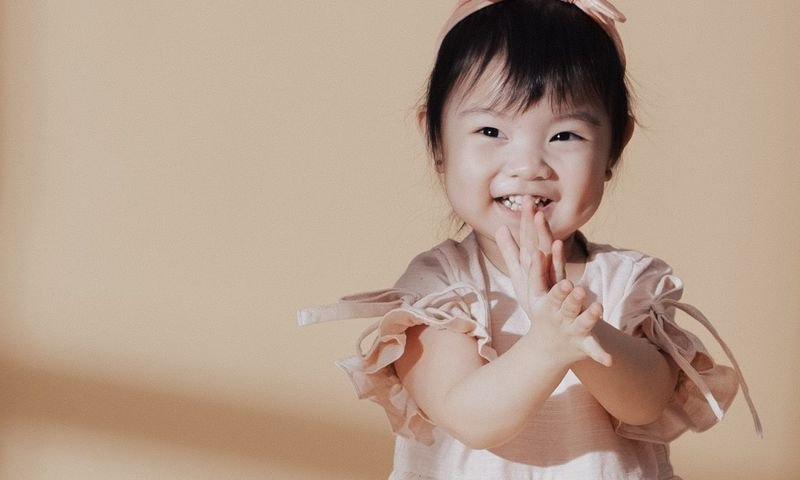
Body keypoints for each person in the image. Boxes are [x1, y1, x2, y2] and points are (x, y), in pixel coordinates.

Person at [299, 1, 761, 478]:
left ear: (615, 145)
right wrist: (549, 344)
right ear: (436, 140)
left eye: (564, 135)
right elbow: (471, 419)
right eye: (491, 130)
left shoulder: (628, 281)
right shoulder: (440, 286)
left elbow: (645, 403)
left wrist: (580, 329)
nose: (527, 165)